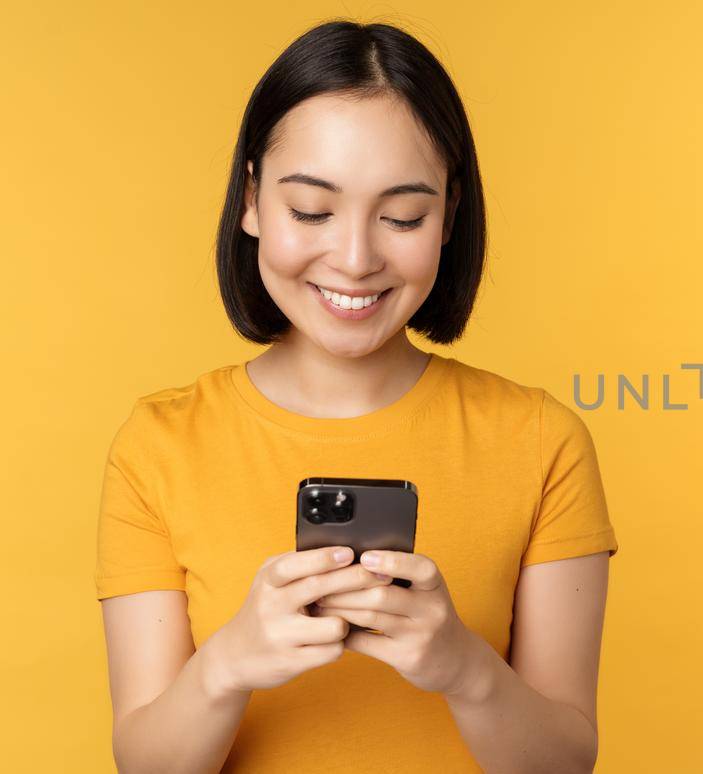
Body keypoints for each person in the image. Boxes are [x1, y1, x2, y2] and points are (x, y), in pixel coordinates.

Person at [94, 20, 617, 773]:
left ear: (449, 215)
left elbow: (566, 763)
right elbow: (146, 765)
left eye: (403, 217)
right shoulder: (160, 444)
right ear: (250, 199)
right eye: (311, 209)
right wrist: (227, 664)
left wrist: (464, 668)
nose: (355, 258)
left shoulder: (540, 440)